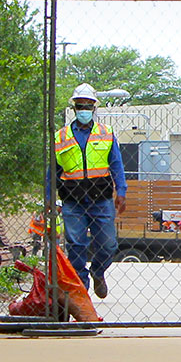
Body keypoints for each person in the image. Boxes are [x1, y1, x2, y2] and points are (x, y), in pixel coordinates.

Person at [49, 83, 127, 298]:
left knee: (108, 244)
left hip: (100, 199)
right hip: (72, 200)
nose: (83, 109)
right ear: (74, 108)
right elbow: (52, 171)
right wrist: (49, 197)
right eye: (80, 105)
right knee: (76, 244)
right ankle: (81, 286)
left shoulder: (106, 133)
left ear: (94, 108)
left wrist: (121, 191)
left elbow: (116, 165)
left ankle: (98, 271)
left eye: (87, 106)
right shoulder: (60, 137)